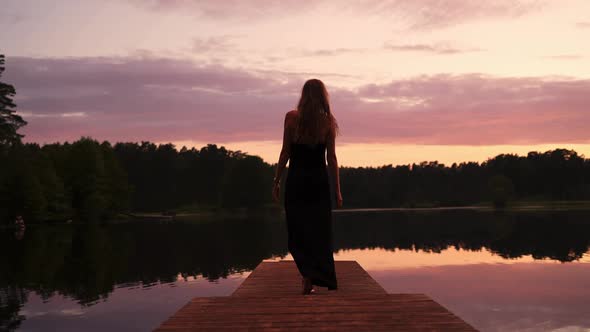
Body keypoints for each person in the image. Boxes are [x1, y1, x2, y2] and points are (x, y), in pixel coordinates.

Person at [272, 78, 343, 295]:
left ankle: (307, 277)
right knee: (319, 231)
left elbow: (285, 152)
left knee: (297, 230)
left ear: (303, 95)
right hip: (318, 181)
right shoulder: (328, 121)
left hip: (297, 180)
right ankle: (320, 276)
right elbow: (331, 159)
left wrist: (276, 180)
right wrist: (337, 190)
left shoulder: (291, 118)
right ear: (323, 96)